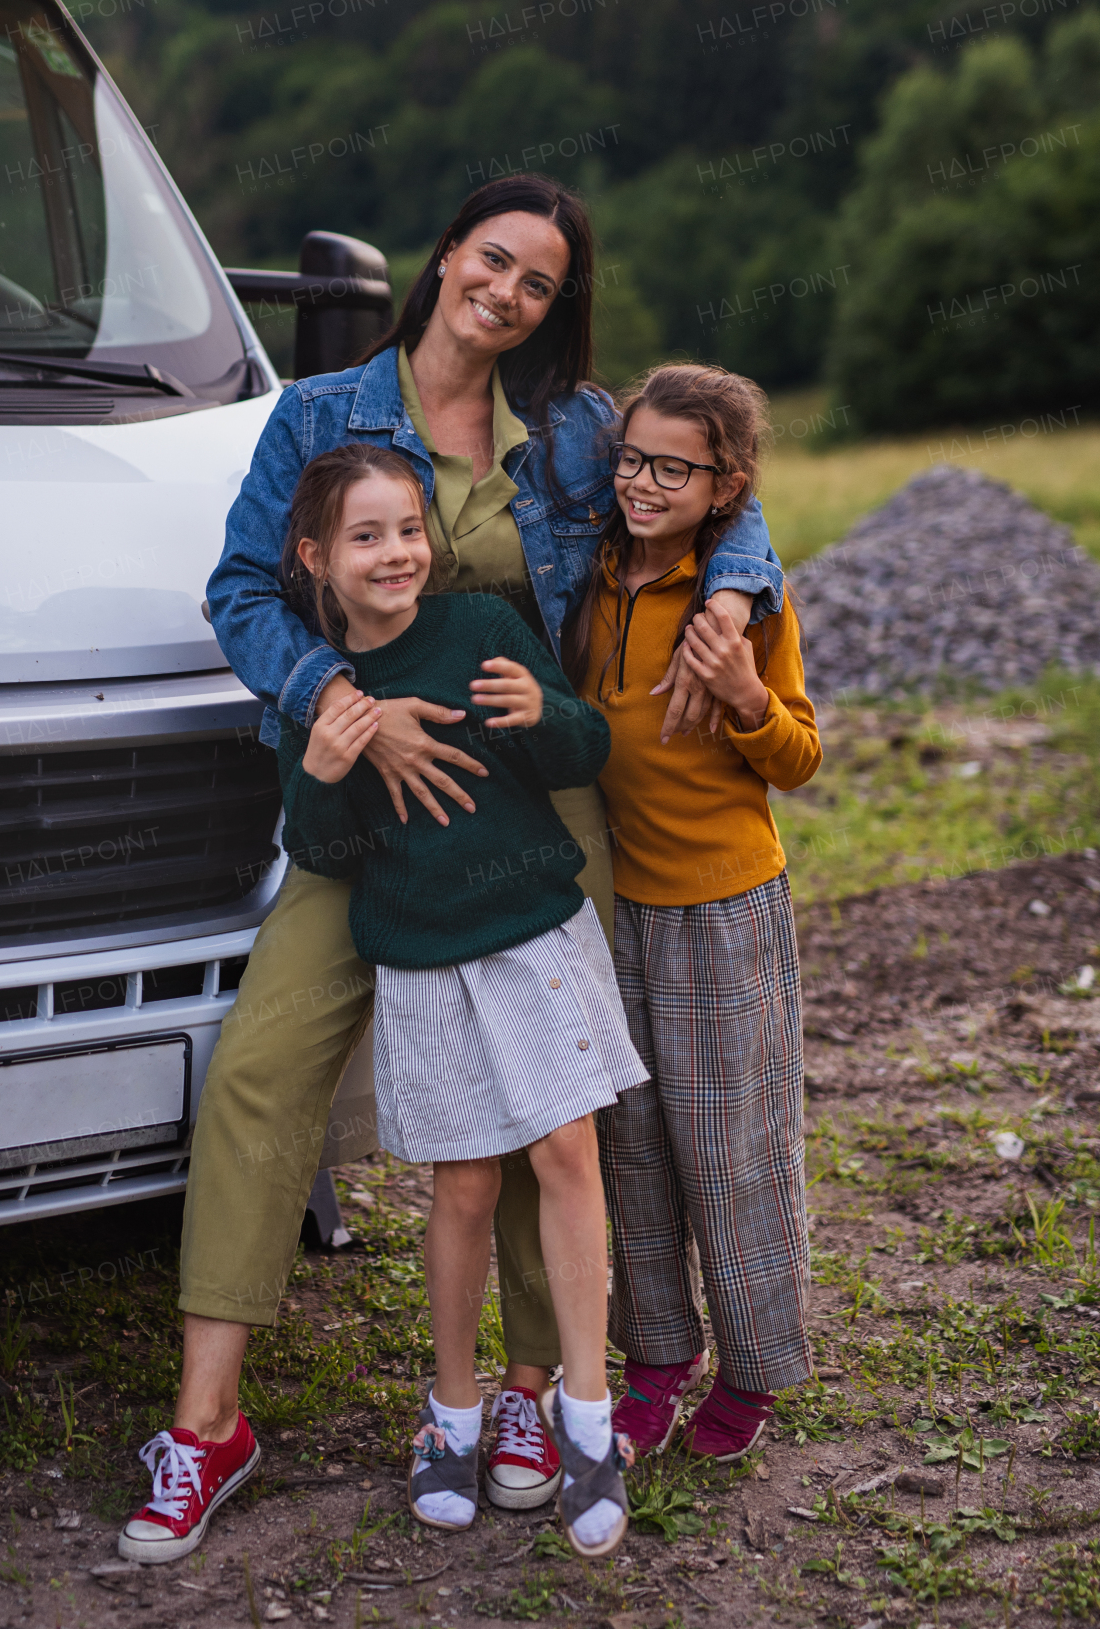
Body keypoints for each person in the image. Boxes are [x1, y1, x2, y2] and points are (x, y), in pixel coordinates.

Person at [118, 176, 783, 1564]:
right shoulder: (320, 418)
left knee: (551, 1108)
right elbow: (241, 589)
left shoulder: (579, 431)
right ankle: (205, 1424)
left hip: (529, 817)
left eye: (541, 282)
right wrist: (328, 699)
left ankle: (534, 1394)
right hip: (364, 814)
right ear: (443, 260)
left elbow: (723, 495)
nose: (510, 295)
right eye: (495, 260)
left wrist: (730, 591)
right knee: (259, 1070)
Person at [276, 441, 647, 1554]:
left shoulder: (481, 633)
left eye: (406, 530)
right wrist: (325, 771)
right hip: (421, 957)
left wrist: (544, 711)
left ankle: (582, 1417)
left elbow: (582, 751)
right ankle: (452, 1414)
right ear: (314, 559)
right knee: (465, 1187)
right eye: (365, 536)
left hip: (531, 934)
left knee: (567, 1155)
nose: (395, 553)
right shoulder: (329, 698)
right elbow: (325, 848)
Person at [562, 363, 820, 1466]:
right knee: (633, 1145)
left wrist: (746, 701)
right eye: (631, 459)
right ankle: (654, 1359)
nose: (642, 482)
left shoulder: (746, 598)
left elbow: (799, 758)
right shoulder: (592, 569)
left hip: (723, 909)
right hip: (615, 910)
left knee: (729, 1150)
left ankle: (754, 1367)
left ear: (725, 484)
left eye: (672, 467)